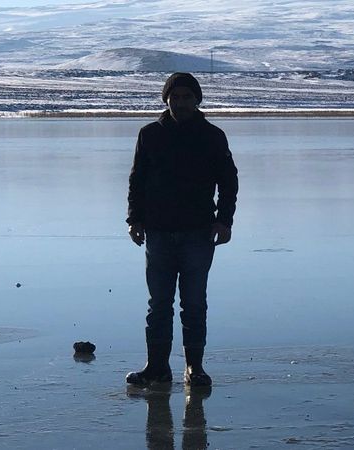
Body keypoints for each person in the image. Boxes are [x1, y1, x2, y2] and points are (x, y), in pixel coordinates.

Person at [125, 72, 239, 387]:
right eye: (175, 97)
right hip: (159, 233)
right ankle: (157, 367)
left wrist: (224, 220)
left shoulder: (212, 136)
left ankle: (195, 368)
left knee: (194, 302)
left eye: (187, 97)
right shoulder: (150, 134)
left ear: (197, 100)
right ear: (166, 99)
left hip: (198, 233)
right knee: (158, 303)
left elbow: (228, 181)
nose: (181, 102)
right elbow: (138, 180)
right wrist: (134, 219)